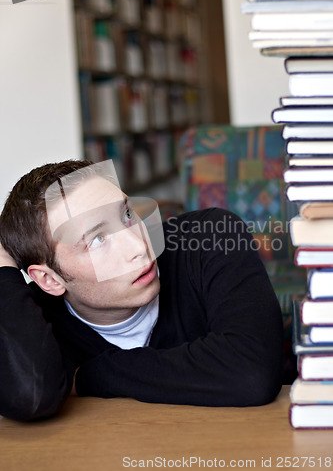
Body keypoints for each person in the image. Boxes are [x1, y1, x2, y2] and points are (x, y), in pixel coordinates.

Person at [0, 159, 283, 422]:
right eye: (97, 239)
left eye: (126, 215)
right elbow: (31, 395)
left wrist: (90, 376)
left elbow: (252, 373)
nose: (140, 247)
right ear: (50, 280)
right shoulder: (33, 324)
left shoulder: (209, 236)